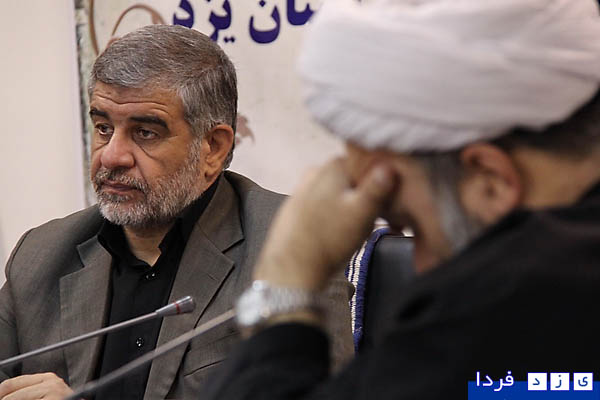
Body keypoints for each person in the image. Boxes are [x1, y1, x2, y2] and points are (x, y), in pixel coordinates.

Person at [201, 0, 600, 399]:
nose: (418, 265)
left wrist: (288, 285)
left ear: (489, 183)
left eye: (415, 228)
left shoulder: (516, 299)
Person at [0, 25, 353, 400]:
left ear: (213, 148)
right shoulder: (41, 256)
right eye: (103, 128)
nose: (112, 156)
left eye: (145, 133)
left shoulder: (291, 247)